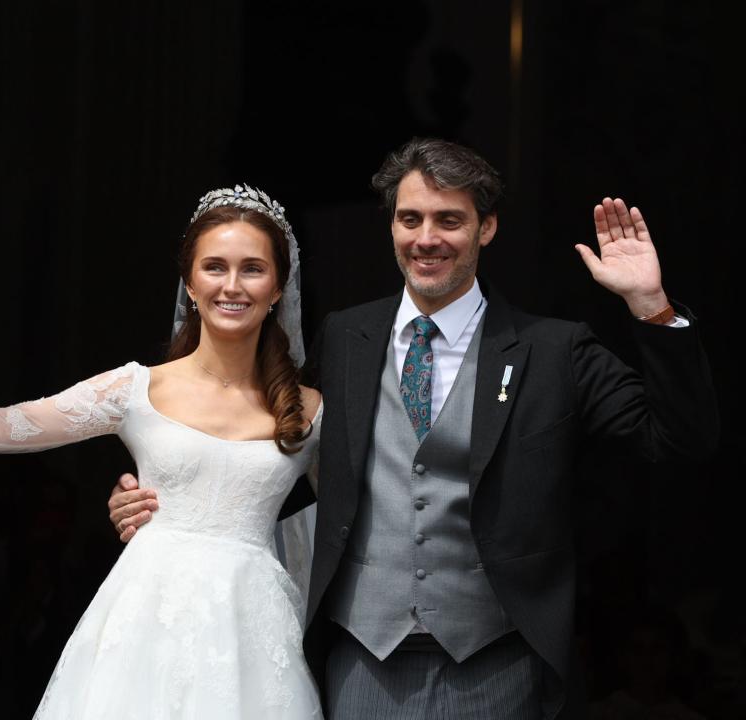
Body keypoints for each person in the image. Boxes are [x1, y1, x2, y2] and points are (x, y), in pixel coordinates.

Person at [108, 138, 719, 719]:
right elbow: (275, 457)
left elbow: (679, 438)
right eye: (410, 219)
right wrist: (166, 492)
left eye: (449, 220)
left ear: (487, 227)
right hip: (361, 665)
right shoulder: (345, 338)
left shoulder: (552, 350)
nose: (427, 239)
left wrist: (652, 305)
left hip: (497, 665)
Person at [0, 185, 324, 719]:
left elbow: (352, 525)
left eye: (252, 268)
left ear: (279, 286)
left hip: (255, 638)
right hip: (144, 629)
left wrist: (280, 558)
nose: (232, 285)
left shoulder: (311, 410)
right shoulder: (133, 390)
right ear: (189, 283)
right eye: (214, 267)